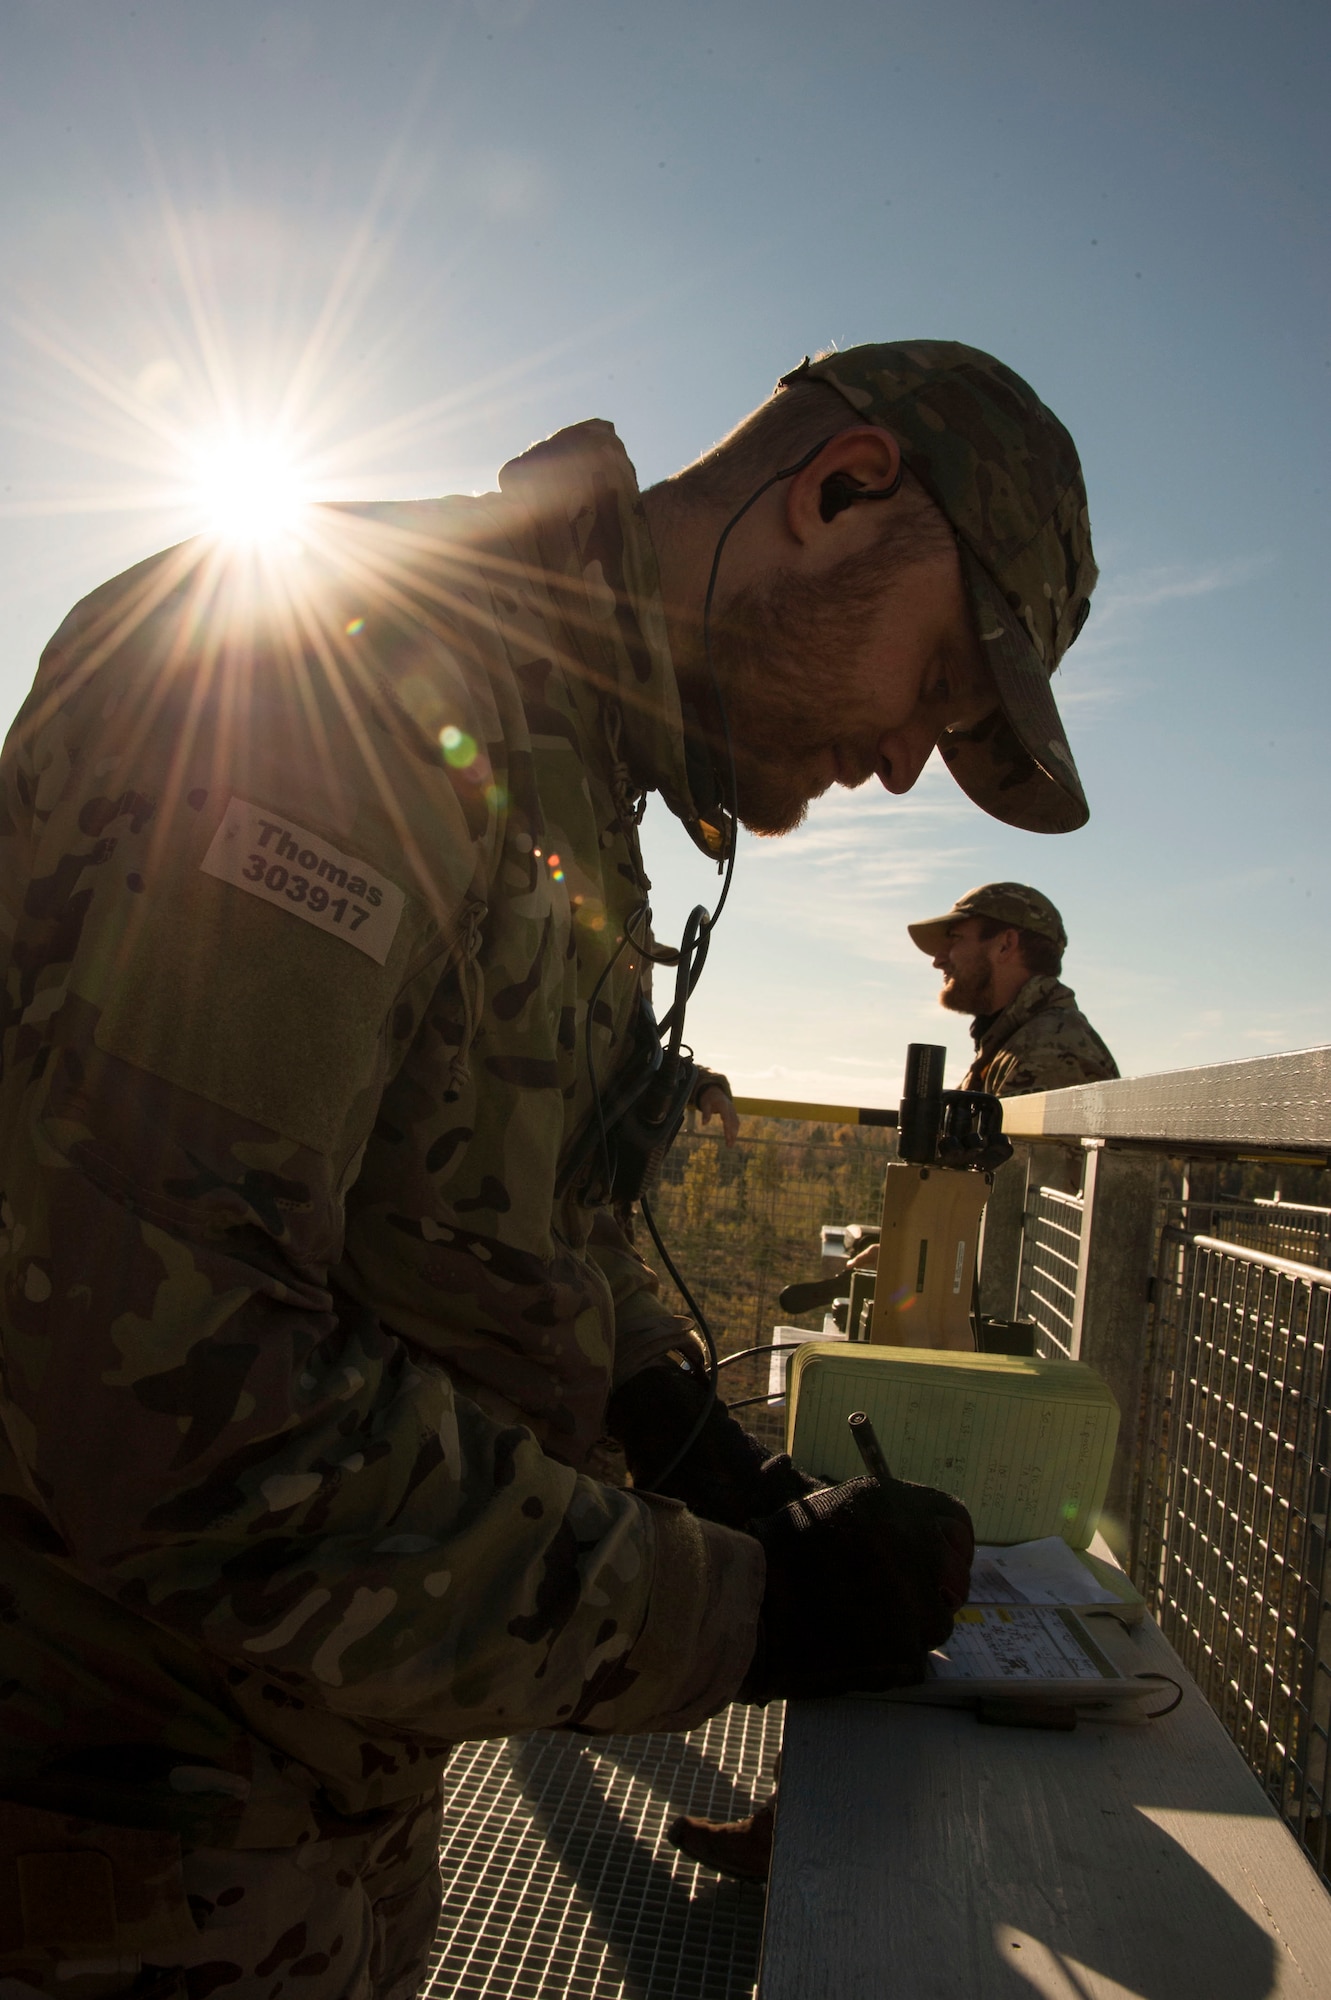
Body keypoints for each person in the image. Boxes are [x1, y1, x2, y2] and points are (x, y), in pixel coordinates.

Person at [0, 340, 1097, 1991]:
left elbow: (511, 1242)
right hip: (101, 1841)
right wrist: (741, 1609)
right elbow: (159, 1387)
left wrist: (700, 1454)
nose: (897, 763)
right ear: (840, 489)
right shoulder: (338, 670)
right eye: (937, 683)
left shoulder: (571, 778)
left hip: (313, 1809)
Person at [908, 882, 1118, 1094]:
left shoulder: (1047, 1050)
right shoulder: (1015, 1040)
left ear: (1005, 945)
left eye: (955, 938)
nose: (939, 960)